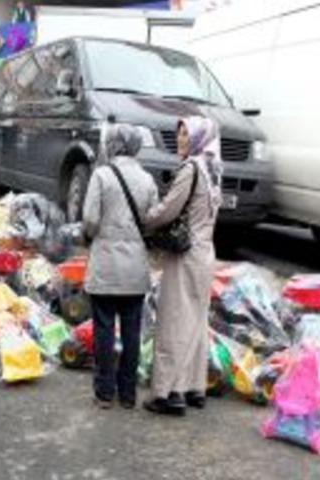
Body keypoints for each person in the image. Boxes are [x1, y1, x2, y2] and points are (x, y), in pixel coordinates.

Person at [144, 116, 222, 416]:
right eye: (178, 134)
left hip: (186, 255)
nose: (180, 140)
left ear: (199, 138)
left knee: (174, 321)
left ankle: (168, 393)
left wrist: (146, 219)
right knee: (196, 322)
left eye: (186, 135)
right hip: (206, 253)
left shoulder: (190, 169)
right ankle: (194, 388)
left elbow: (169, 210)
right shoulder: (214, 169)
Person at [81, 124, 159, 410]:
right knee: (131, 332)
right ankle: (128, 394)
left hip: (106, 265)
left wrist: (91, 234)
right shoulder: (147, 180)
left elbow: (90, 218)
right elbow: (152, 220)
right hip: (135, 268)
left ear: (112, 144)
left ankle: (104, 392)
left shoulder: (102, 175)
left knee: (103, 329)